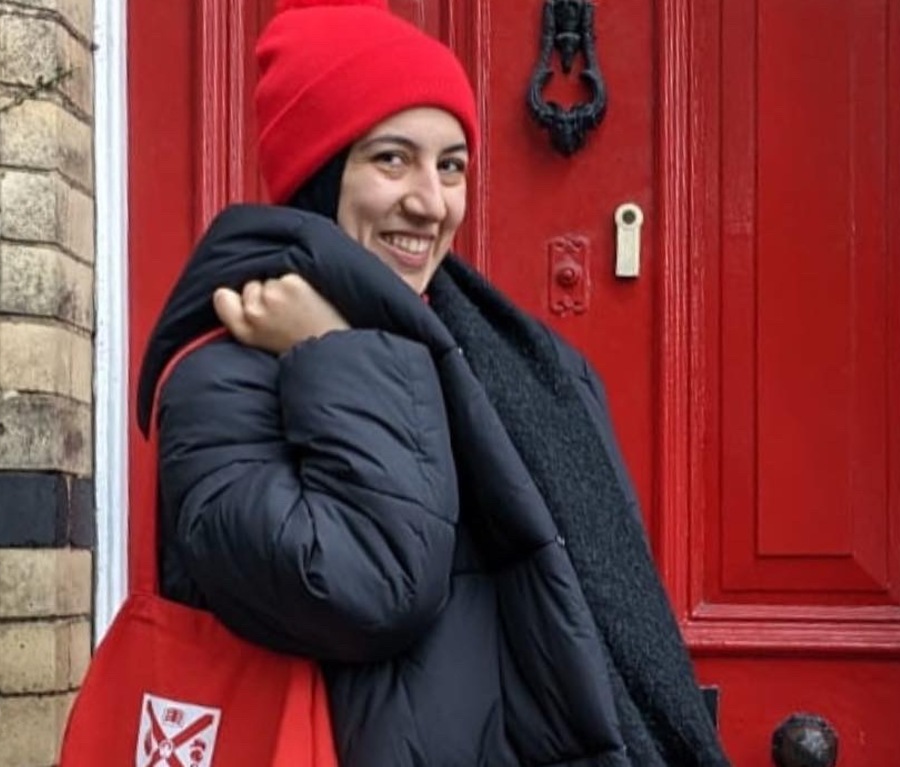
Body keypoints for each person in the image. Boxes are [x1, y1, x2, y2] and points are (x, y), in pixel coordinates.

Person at [135, 0, 730, 764]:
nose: (430, 200)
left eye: (450, 164)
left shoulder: (520, 365)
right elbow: (368, 589)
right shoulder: (220, 378)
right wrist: (332, 350)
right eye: (391, 159)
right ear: (320, 176)